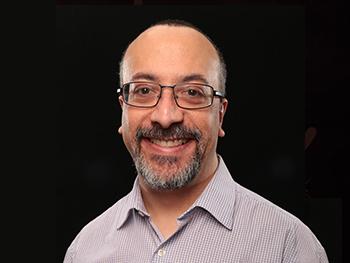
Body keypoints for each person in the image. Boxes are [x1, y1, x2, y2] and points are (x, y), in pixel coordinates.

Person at [63, 19, 328, 262]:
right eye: (144, 90)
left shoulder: (289, 246)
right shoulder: (84, 250)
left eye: (192, 92)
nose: (166, 117)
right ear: (123, 110)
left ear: (220, 115)